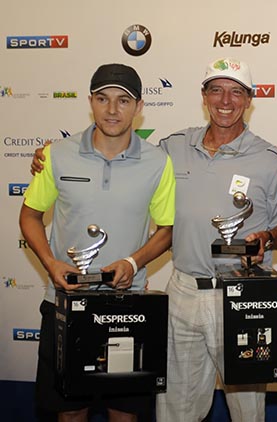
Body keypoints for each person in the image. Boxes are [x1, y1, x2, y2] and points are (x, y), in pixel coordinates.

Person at [31, 58, 277, 421]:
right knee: (176, 410)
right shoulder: (172, 149)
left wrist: (268, 238)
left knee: (247, 410)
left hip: (242, 297)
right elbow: (119, 151)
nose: (225, 100)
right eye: (216, 90)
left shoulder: (270, 159)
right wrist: (46, 155)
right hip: (184, 290)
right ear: (204, 97)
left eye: (236, 92)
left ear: (250, 99)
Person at [19, 63, 176, 422]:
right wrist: (50, 262)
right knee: (70, 413)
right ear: (90, 101)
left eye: (124, 101)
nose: (112, 110)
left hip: (128, 307)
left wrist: (134, 263)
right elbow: (29, 216)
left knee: (125, 414)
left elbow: (167, 229)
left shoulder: (158, 162)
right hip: (64, 305)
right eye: (103, 99)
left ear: (139, 107)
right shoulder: (57, 153)